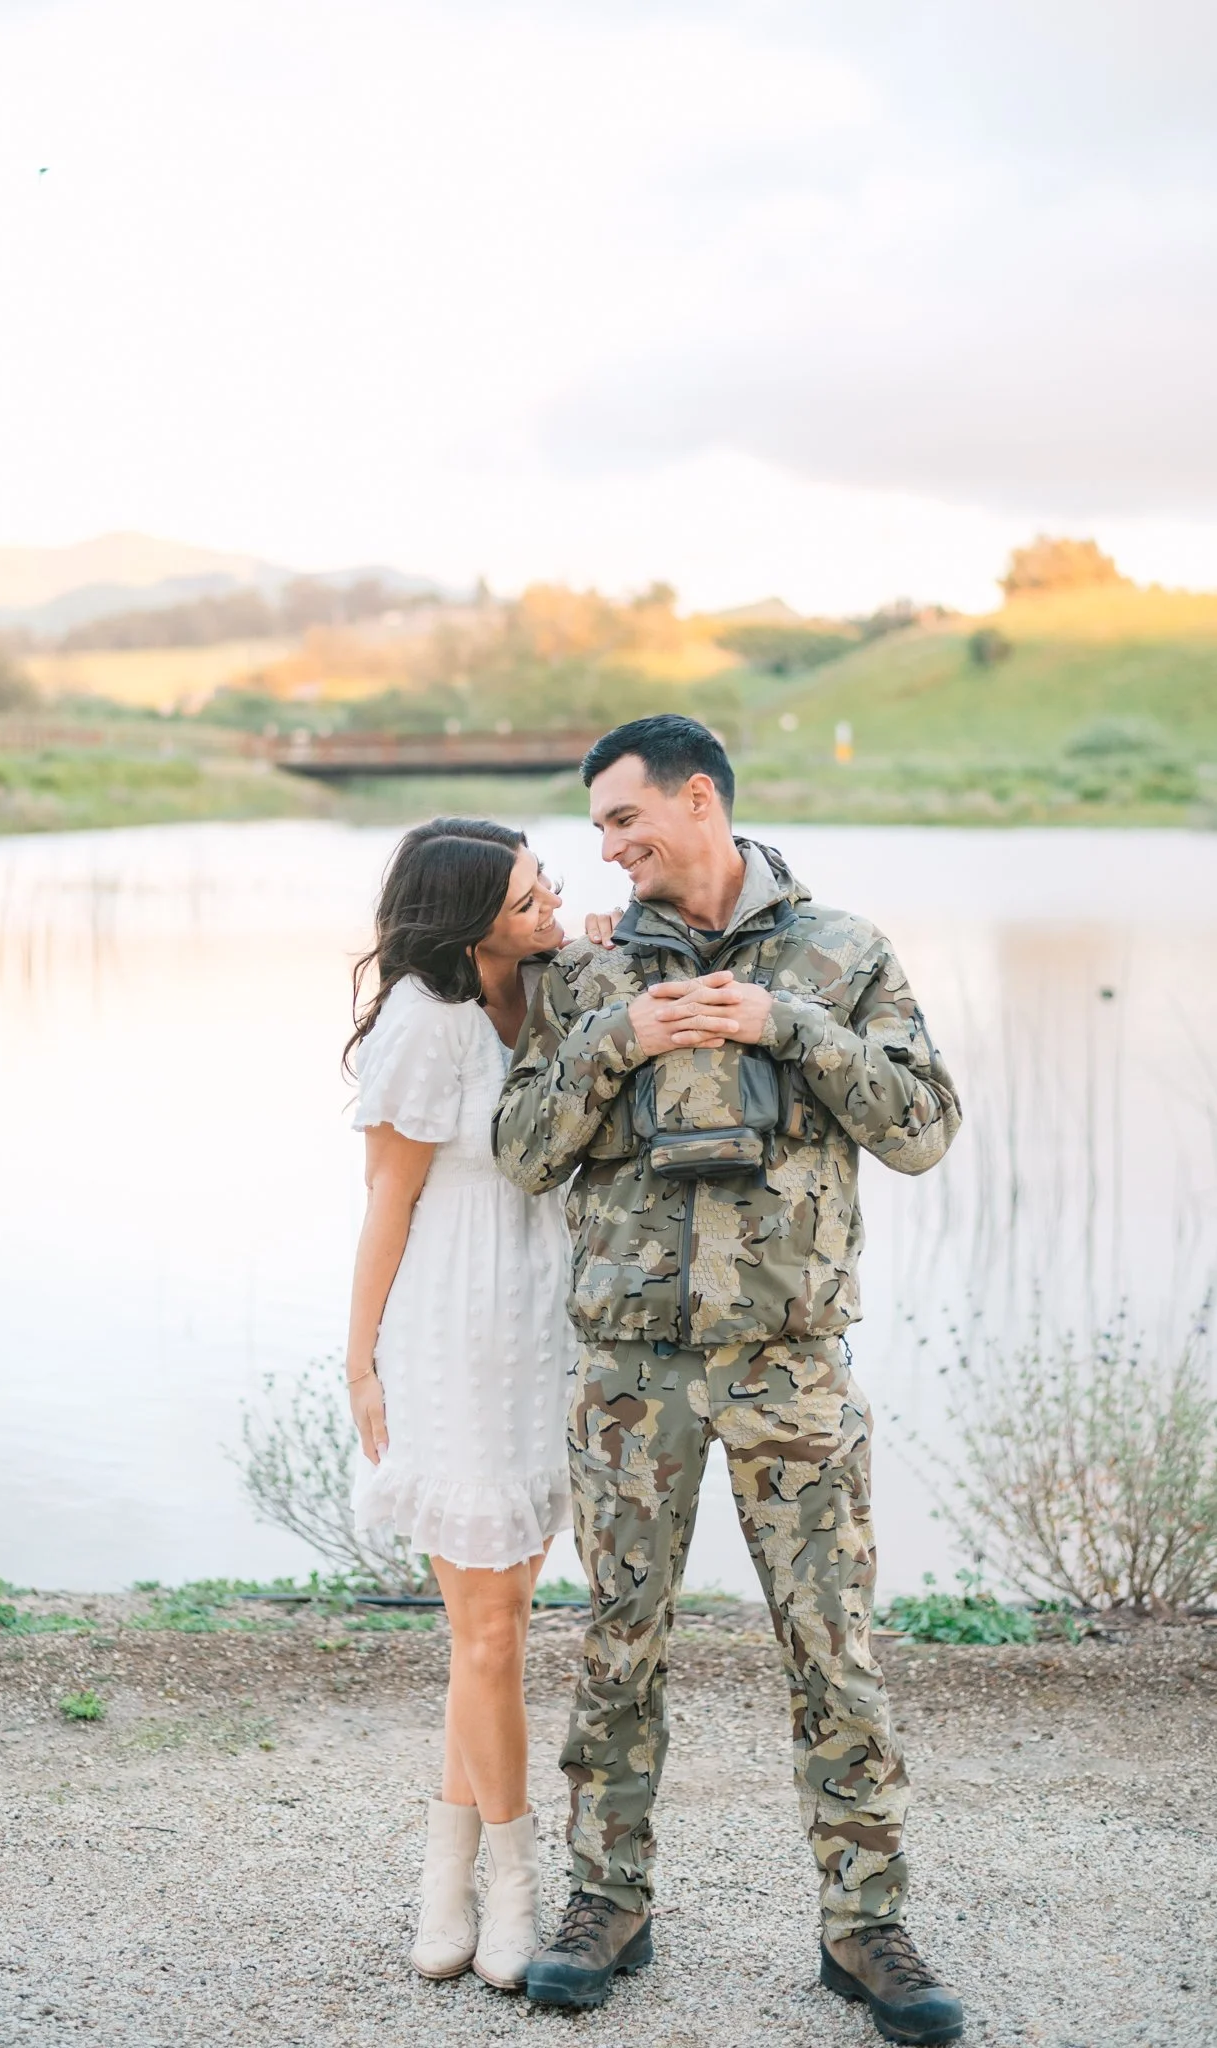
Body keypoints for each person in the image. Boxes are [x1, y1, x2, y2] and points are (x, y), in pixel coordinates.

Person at [494, 716, 966, 2046]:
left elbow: (922, 1128)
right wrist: (618, 1042)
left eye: (622, 820)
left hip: (789, 1367)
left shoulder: (842, 954)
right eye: (596, 831)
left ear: (695, 801)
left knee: (831, 1648)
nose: (607, 846)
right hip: (629, 1371)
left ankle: (863, 1928)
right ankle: (606, 1905)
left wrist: (787, 1024)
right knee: (616, 1646)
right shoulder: (585, 975)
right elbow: (523, 1149)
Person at [343, 817, 576, 1993]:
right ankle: (516, 1883)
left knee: (497, 1633)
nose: (551, 905)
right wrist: (359, 1359)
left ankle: (444, 1874)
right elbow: (386, 1197)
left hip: (545, 1330)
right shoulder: (422, 1022)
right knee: (486, 1634)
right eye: (529, 895)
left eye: (549, 886)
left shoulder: (543, 997)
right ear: (469, 912)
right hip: (455, 1332)